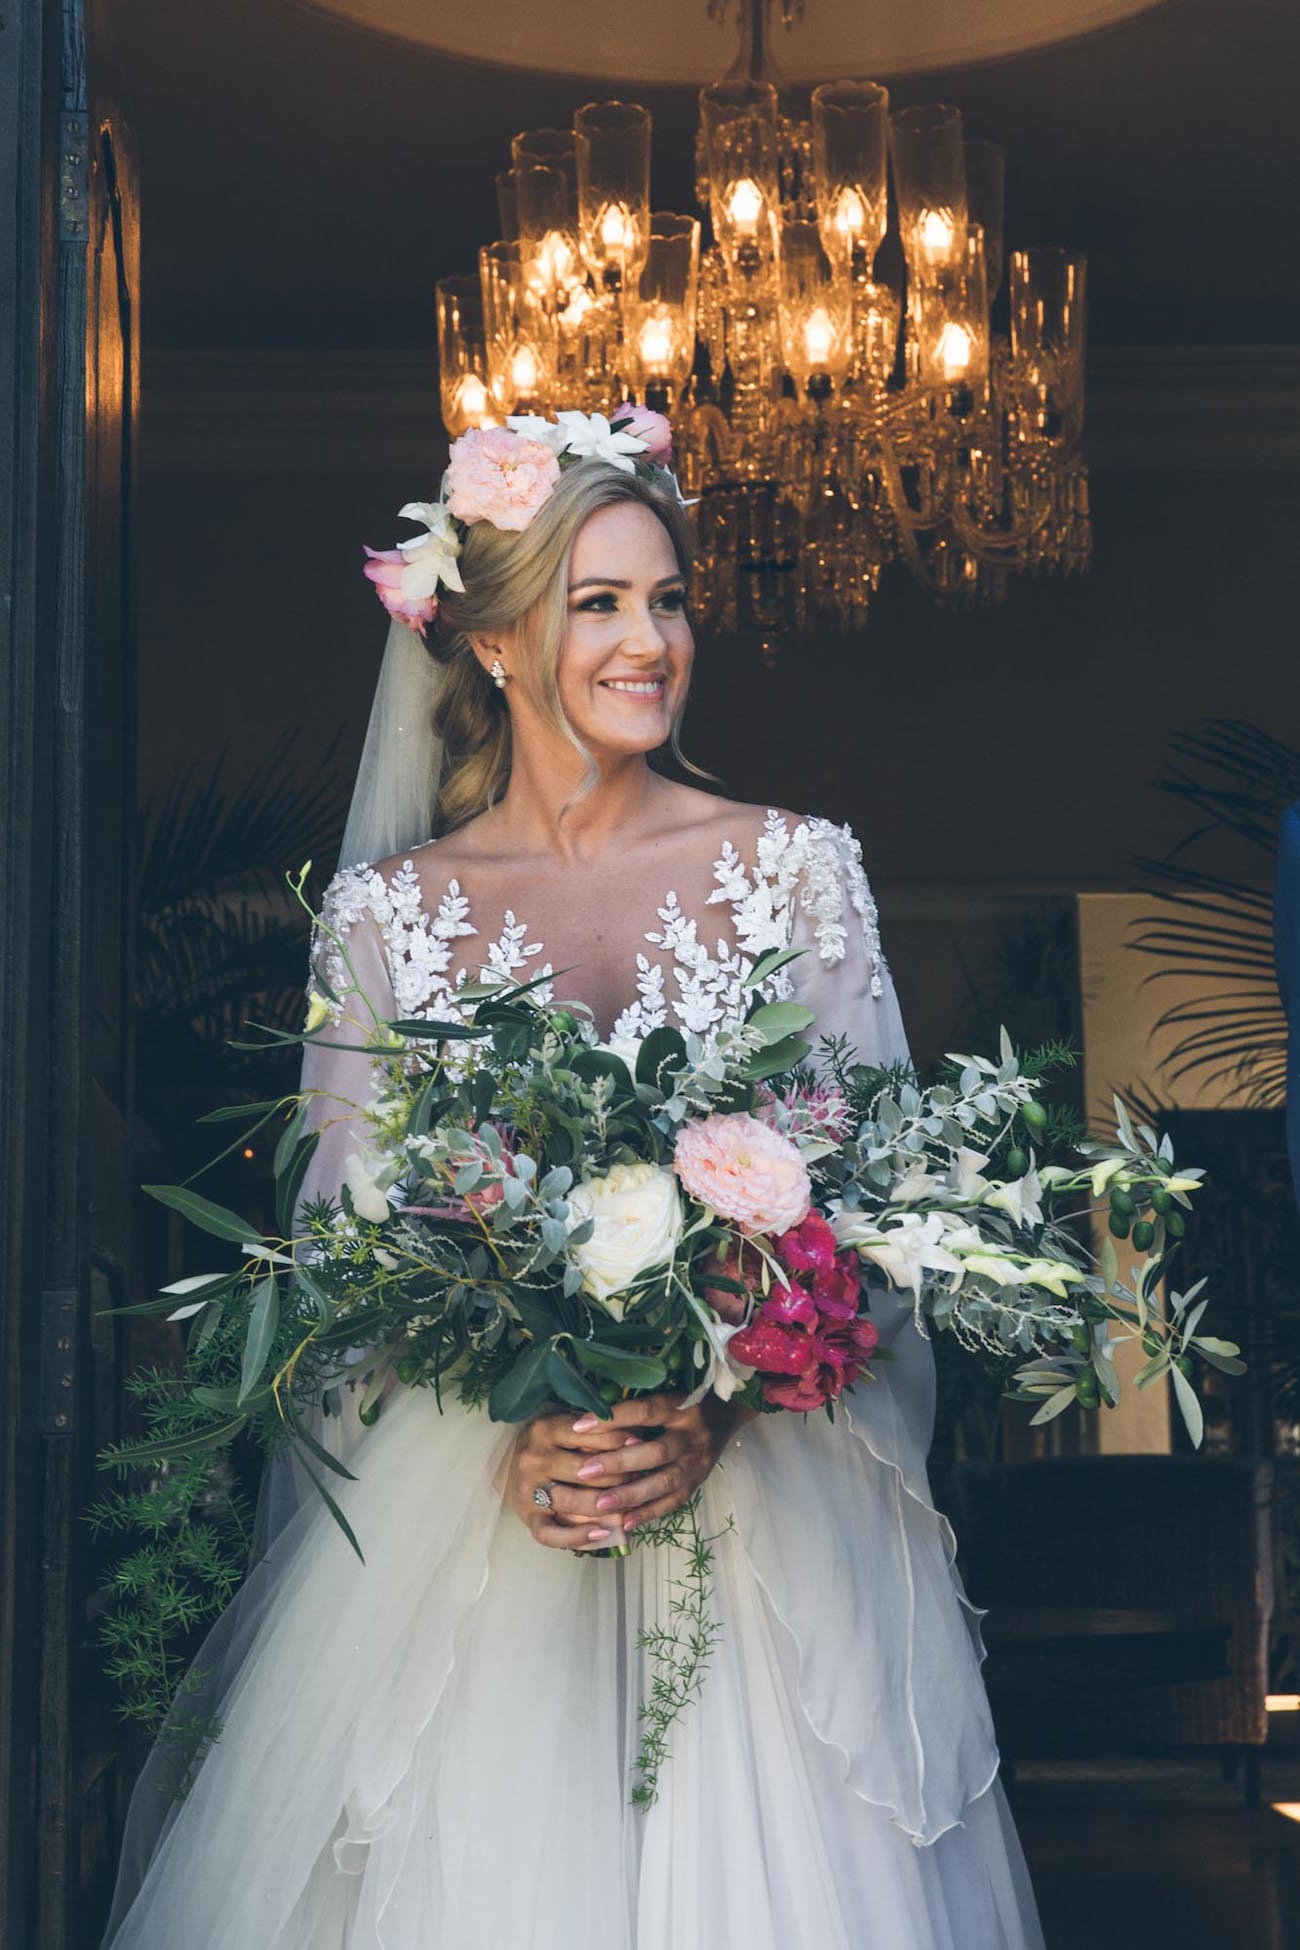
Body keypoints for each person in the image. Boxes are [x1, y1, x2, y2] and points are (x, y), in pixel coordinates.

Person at [102, 413, 1045, 1947]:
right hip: (483, 1556)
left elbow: (875, 1232)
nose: (648, 640)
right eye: (596, 601)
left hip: (759, 1566)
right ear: (489, 639)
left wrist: (725, 1402)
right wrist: (509, 1441)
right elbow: (341, 1282)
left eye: (666, 599)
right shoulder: (386, 920)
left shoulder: (799, 870)